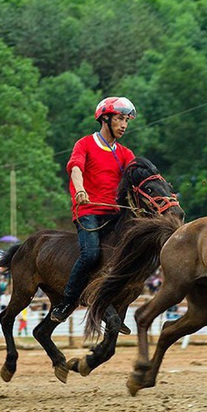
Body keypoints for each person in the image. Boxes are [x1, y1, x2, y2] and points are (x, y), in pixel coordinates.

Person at [50, 97, 137, 323]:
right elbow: (75, 168)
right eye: (119, 119)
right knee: (90, 254)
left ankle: (117, 302)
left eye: (127, 120)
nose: (124, 125)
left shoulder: (126, 154)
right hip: (88, 212)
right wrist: (79, 189)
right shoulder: (85, 144)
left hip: (115, 214)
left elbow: (137, 180)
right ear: (105, 119)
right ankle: (68, 300)